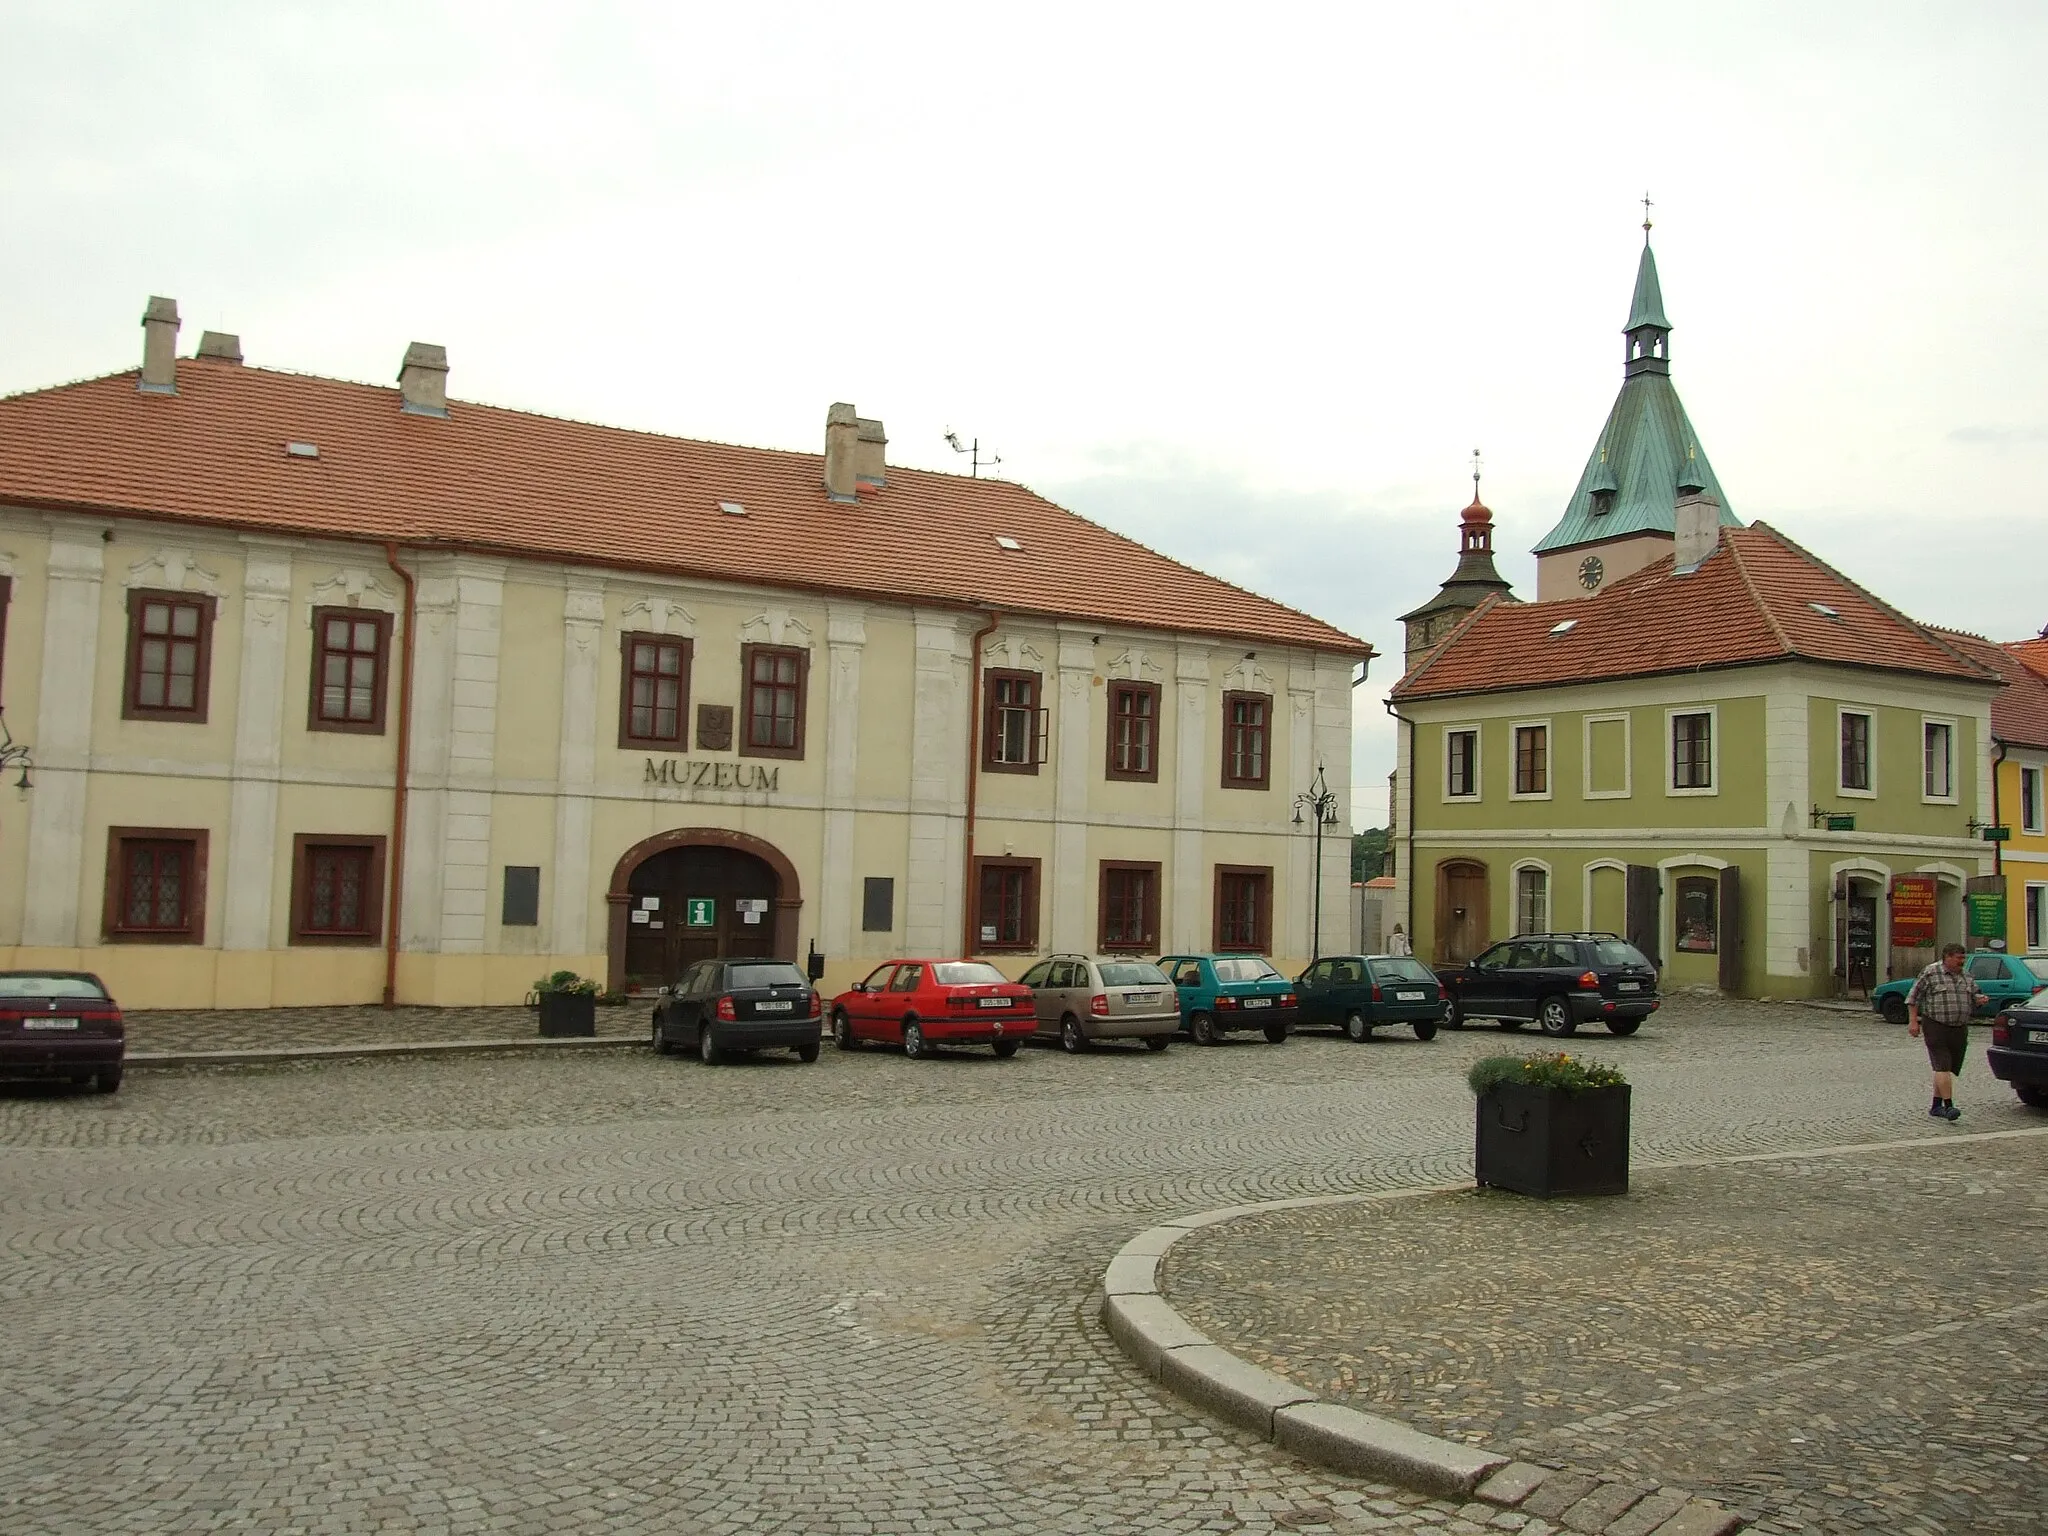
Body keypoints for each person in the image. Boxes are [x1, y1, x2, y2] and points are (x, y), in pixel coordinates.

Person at [1906, 942, 1986, 1122]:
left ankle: (1936, 1106)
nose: (1962, 961)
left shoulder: (1966, 976)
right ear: (1947, 957)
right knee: (1942, 1064)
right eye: (1959, 958)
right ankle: (1949, 1106)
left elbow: (1975, 995)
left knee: (1947, 1068)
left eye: (1963, 958)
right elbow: (1913, 997)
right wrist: (1913, 1022)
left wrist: (1980, 999)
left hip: (1959, 1027)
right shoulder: (1931, 973)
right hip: (1935, 1025)